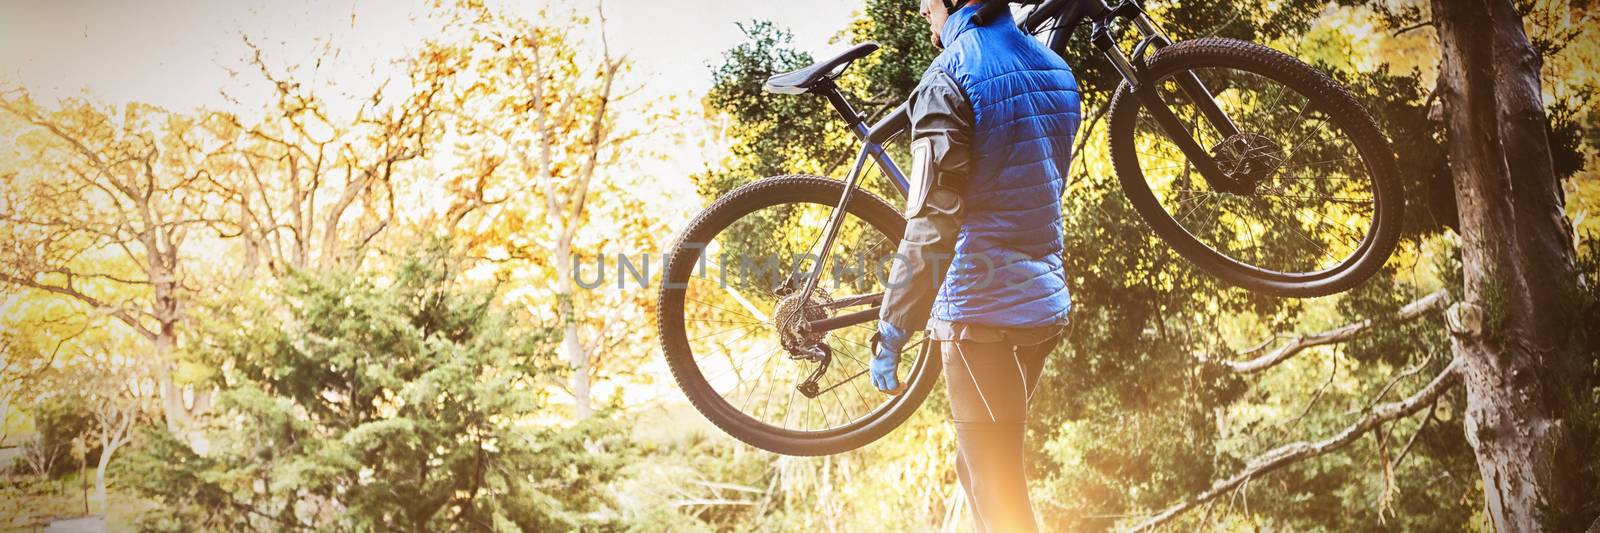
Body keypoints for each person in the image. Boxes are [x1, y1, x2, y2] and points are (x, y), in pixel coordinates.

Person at [870, 0, 1081, 531]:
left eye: (929, 1)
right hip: (1043, 307)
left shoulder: (949, 79)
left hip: (981, 316)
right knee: (980, 466)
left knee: (997, 487)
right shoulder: (1055, 67)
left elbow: (932, 224)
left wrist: (893, 329)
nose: (923, 10)